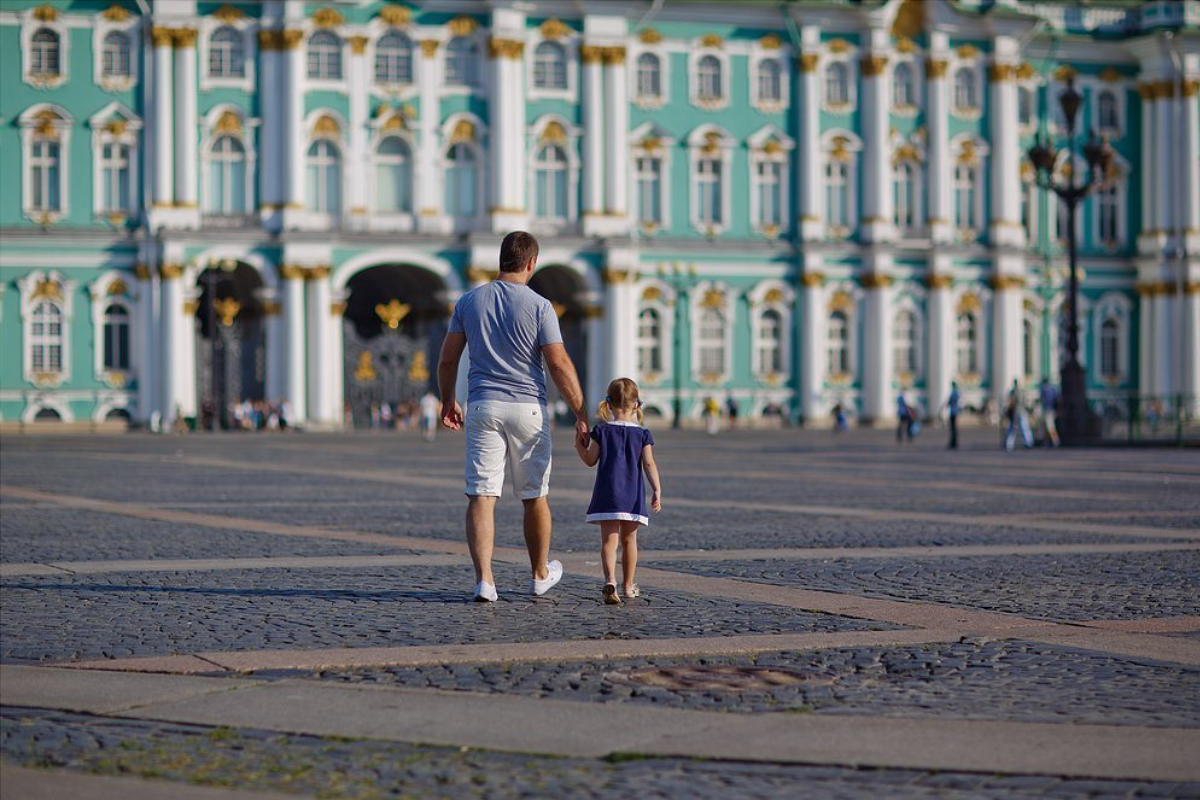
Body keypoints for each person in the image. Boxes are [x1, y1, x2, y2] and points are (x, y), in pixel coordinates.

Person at [436, 231, 589, 602]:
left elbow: (448, 359)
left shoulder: (469, 302)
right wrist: (581, 412)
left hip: (482, 405)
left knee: (482, 495)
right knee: (535, 495)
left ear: (500, 259)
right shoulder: (539, 305)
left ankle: (485, 581)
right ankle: (539, 574)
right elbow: (558, 363)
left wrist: (447, 401)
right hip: (528, 408)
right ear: (532, 263)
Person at [575, 378, 662, 605]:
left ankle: (610, 579)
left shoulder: (602, 431)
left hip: (607, 494)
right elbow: (649, 464)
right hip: (632, 496)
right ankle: (628, 586)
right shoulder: (643, 434)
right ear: (637, 405)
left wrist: (579, 446)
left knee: (608, 542)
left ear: (609, 404)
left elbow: (590, 460)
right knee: (630, 540)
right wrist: (657, 489)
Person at [1004, 379, 1033, 451]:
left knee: (1013, 429)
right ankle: (1028, 442)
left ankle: (1009, 444)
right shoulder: (1022, 392)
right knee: (1024, 428)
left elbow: (1011, 403)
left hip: (1016, 412)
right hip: (1021, 412)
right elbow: (1027, 403)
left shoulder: (1013, 392)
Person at [1039, 378, 1060, 448]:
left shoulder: (1044, 389)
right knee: (1048, 427)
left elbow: (1042, 400)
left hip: (1047, 411)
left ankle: (1055, 441)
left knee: (1049, 427)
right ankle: (1048, 443)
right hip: (1052, 410)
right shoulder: (1053, 389)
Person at [946, 381, 960, 450]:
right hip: (954, 411)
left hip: (953, 412)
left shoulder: (954, 392)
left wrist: (948, 403)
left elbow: (952, 401)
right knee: (953, 428)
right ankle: (953, 442)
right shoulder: (956, 392)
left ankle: (953, 442)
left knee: (953, 428)